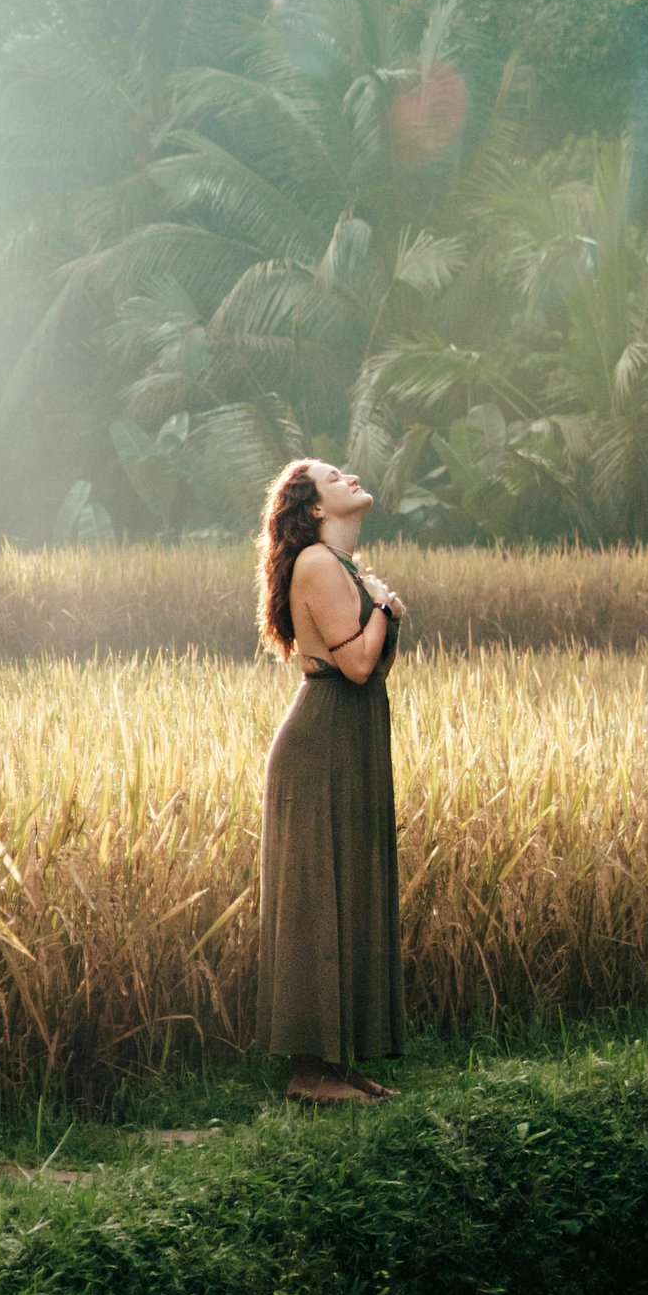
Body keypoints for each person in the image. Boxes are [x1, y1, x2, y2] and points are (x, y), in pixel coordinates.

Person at [252, 457, 409, 1105]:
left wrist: (377, 600)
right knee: (318, 900)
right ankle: (307, 1074)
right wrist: (383, 605)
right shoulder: (319, 563)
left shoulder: (343, 565)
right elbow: (359, 662)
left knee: (346, 891)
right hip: (319, 748)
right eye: (332, 476)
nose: (348, 475)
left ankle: (336, 1067)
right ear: (314, 508)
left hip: (347, 742)